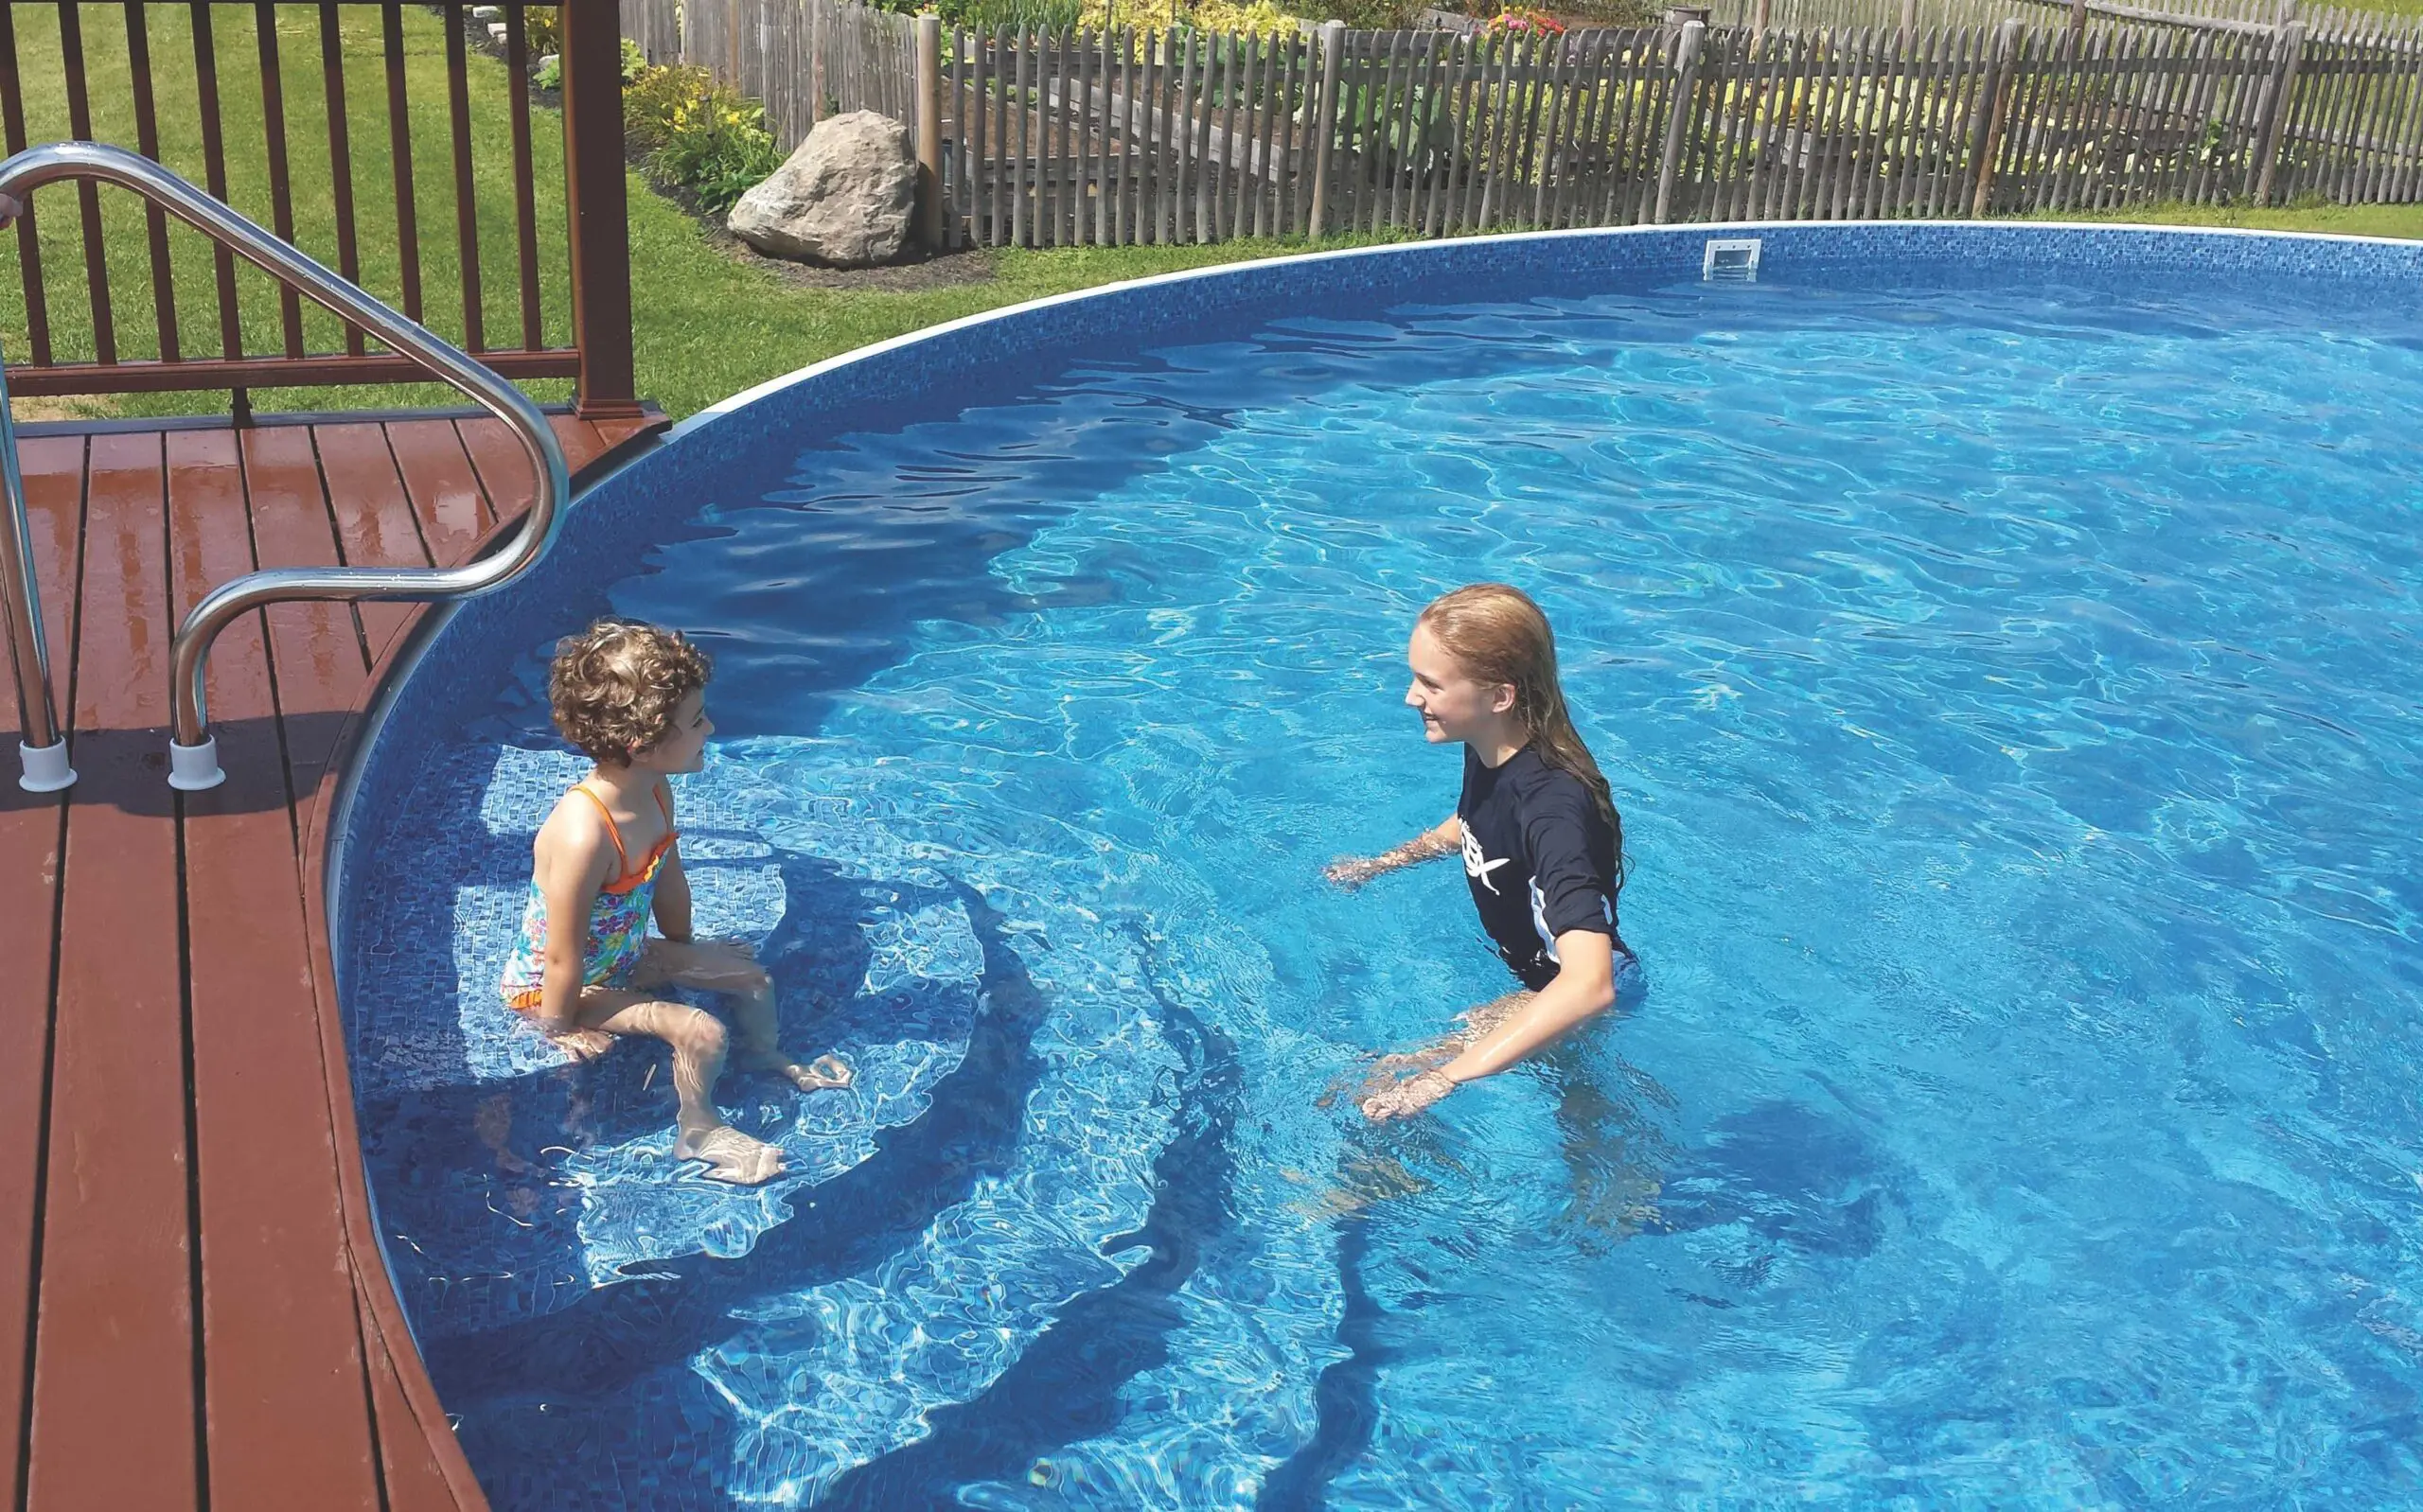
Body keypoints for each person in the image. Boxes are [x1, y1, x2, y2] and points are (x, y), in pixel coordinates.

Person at [499, 619, 850, 1185]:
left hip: (624, 954)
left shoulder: (655, 790)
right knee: (701, 1031)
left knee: (753, 979)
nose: (710, 728)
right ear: (644, 745)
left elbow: (668, 874)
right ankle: (698, 1127)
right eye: (695, 721)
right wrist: (559, 1028)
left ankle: (762, 1056)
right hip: (556, 986)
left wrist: (685, 950)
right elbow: (560, 956)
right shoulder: (582, 833)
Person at [1328, 584, 1635, 1123]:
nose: (1410, 697)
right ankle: (1617, 1191)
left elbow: (1591, 983)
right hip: (1534, 979)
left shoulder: (1553, 810)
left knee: (1384, 1088)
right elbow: (1478, 822)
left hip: (1557, 989)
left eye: (1430, 684)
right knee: (1582, 1112)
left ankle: (1370, 1191)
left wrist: (1446, 1078)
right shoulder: (1493, 748)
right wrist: (1389, 862)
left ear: (1499, 696)